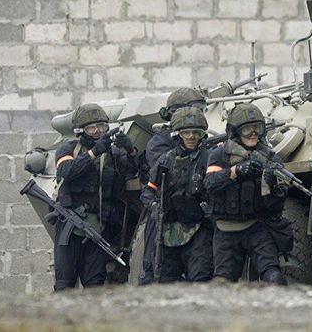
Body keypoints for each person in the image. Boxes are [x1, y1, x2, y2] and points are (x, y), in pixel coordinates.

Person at [53, 103, 136, 291]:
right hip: (70, 225)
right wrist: (93, 153)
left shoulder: (113, 155)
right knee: (64, 285)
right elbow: (67, 171)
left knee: (94, 285)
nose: (98, 131)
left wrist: (130, 151)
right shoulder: (68, 149)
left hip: (98, 228)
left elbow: (131, 175)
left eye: (102, 127)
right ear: (81, 130)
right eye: (92, 128)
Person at [204, 103, 289, 285]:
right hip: (226, 230)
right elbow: (210, 183)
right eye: (247, 129)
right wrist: (236, 171)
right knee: (222, 283)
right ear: (235, 132)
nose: (253, 133)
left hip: (256, 227)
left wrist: (270, 183)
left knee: (274, 277)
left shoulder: (269, 156)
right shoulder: (220, 154)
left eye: (257, 128)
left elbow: (277, 203)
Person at [139, 87, 207, 285]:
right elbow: (152, 187)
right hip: (165, 218)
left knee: (201, 275)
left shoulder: (204, 150)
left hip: (194, 221)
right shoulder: (160, 145)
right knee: (155, 274)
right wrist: (154, 207)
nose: (192, 136)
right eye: (194, 108)